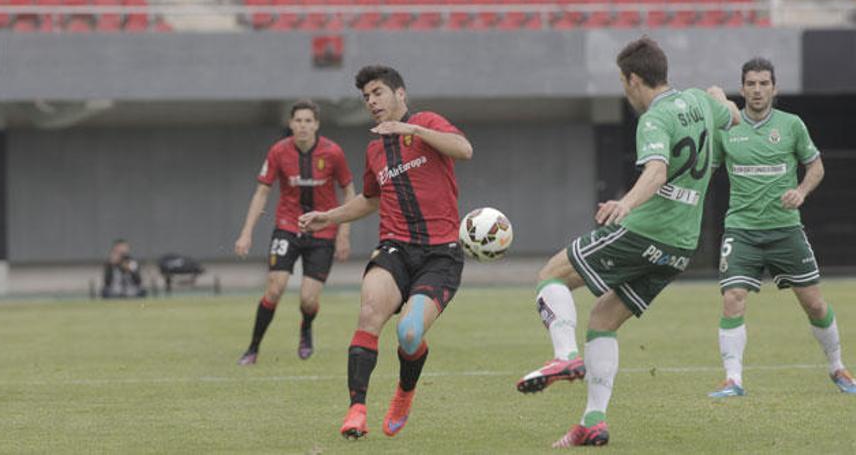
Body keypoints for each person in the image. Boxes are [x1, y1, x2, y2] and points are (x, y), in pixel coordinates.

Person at [515, 36, 741, 448]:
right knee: (603, 318)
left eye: (623, 82)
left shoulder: (654, 119)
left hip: (644, 230)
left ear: (634, 79)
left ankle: (565, 357)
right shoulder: (700, 103)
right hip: (680, 247)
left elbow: (655, 172)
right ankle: (593, 422)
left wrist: (625, 202)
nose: (625, 91)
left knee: (551, 276)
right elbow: (734, 116)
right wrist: (720, 98)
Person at [298, 65, 472, 440]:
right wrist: (327, 217)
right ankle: (356, 411)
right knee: (369, 313)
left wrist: (413, 129)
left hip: (440, 255)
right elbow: (368, 200)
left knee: (409, 334)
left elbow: (464, 148)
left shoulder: (425, 122)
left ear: (400, 94)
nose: (372, 102)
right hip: (394, 247)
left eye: (378, 93)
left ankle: (404, 393)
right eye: (366, 97)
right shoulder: (375, 149)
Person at [707, 57, 856, 397]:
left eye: (764, 83)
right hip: (741, 230)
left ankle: (838, 367)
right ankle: (733, 379)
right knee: (733, 297)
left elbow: (815, 166)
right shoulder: (726, 128)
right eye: (751, 84)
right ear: (742, 88)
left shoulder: (791, 125)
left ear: (775, 88)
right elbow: (707, 169)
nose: (757, 90)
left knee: (815, 304)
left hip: (785, 230)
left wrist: (801, 191)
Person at [235, 99, 355, 365]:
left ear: (317, 125)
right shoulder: (278, 152)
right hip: (287, 227)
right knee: (274, 288)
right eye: (298, 121)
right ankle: (253, 349)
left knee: (308, 300)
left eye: (308, 121)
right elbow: (262, 192)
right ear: (291, 124)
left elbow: (349, 190)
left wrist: (344, 234)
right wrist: (246, 232)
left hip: (323, 231)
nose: (302, 126)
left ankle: (306, 328)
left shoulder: (333, 153)